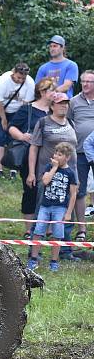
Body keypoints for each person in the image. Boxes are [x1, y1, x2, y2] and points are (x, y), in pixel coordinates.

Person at [9, 78, 54, 239]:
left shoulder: (54, 110)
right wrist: (22, 136)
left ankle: (48, 228)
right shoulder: (27, 109)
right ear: (43, 92)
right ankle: (29, 229)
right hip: (30, 157)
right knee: (30, 190)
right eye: (52, 90)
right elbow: (11, 127)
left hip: (51, 157)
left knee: (51, 192)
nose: (54, 94)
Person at [26, 142, 78, 272]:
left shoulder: (70, 173)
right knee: (38, 231)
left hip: (60, 208)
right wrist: (54, 168)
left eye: (59, 154)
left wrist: (69, 213)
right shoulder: (49, 167)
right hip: (45, 206)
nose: (55, 156)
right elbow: (45, 181)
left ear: (67, 157)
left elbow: (73, 195)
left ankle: (54, 261)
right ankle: (33, 259)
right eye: (55, 153)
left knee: (57, 234)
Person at [0, 62, 35, 175]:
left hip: (16, 110)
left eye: (23, 78)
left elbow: (25, 104)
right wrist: (3, 119)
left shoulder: (30, 83)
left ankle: (14, 166)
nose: (20, 80)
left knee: (15, 136)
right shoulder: (3, 80)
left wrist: (18, 120)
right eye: (18, 77)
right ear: (13, 72)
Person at [68, 70, 94, 241]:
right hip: (79, 152)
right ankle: (82, 229)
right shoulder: (73, 101)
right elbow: (68, 122)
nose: (85, 84)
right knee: (79, 190)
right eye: (83, 81)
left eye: (89, 82)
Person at [35, 35, 78, 100]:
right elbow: (37, 88)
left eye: (55, 46)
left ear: (62, 48)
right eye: (50, 46)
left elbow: (66, 86)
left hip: (63, 104)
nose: (52, 48)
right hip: (46, 104)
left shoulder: (71, 65)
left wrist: (50, 94)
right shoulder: (43, 68)